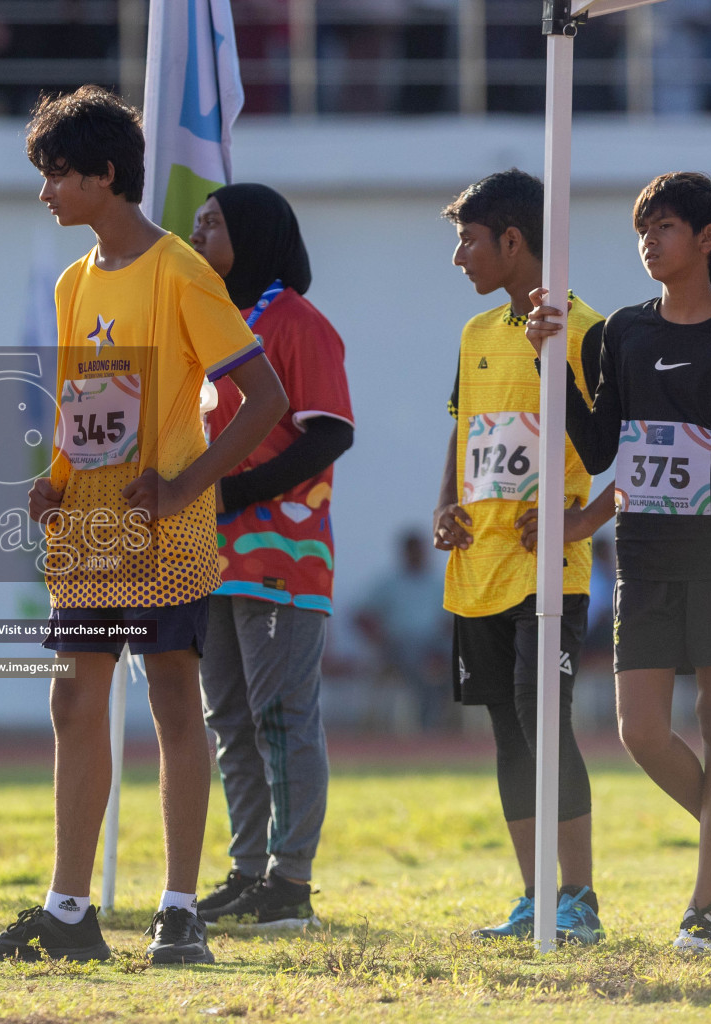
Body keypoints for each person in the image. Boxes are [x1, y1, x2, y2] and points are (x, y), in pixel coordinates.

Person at [0, 86, 288, 966]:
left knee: (172, 702)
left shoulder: (182, 271)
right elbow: (87, 412)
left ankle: (179, 910)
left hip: (166, 535)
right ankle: (69, 911)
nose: (46, 195)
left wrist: (187, 484)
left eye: (58, 177)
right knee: (74, 698)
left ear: (107, 176)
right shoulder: (75, 284)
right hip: (91, 537)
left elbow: (265, 400)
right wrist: (56, 480)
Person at [527, 171, 711, 953]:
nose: (648, 241)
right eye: (643, 228)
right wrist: (553, 361)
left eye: (664, 227)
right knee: (640, 731)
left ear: (707, 239)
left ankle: (701, 906)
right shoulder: (623, 336)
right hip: (640, 558)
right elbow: (608, 449)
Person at [435, 169, 614, 944]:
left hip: (549, 573)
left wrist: (579, 525)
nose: (459, 258)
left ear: (514, 240)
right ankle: (533, 894)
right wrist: (445, 502)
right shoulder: (475, 334)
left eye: (468, 241)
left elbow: (617, 449)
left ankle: (578, 897)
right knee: (509, 734)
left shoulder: (586, 331)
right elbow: (464, 424)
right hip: (477, 571)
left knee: (548, 725)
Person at [184, 183, 354, 931]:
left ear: (254, 235)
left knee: (281, 714)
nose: (196, 237)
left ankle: (292, 882)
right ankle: (248, 868)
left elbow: (330, 432)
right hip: (211, 559)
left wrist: (239, 490)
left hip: (281, 554)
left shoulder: (297, 322)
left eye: (210, 225)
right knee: (227, 715)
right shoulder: (215, 328)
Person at [353, 530, 452, 732]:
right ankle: (426, 724)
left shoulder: (438, 583)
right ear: (405, 552)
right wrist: (377, 637)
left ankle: (450, 724)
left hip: (433, 643)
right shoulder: (389, 584)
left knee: (457, 658)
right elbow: (360, 615)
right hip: (399, 644)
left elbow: (452, 619)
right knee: (419, 663)